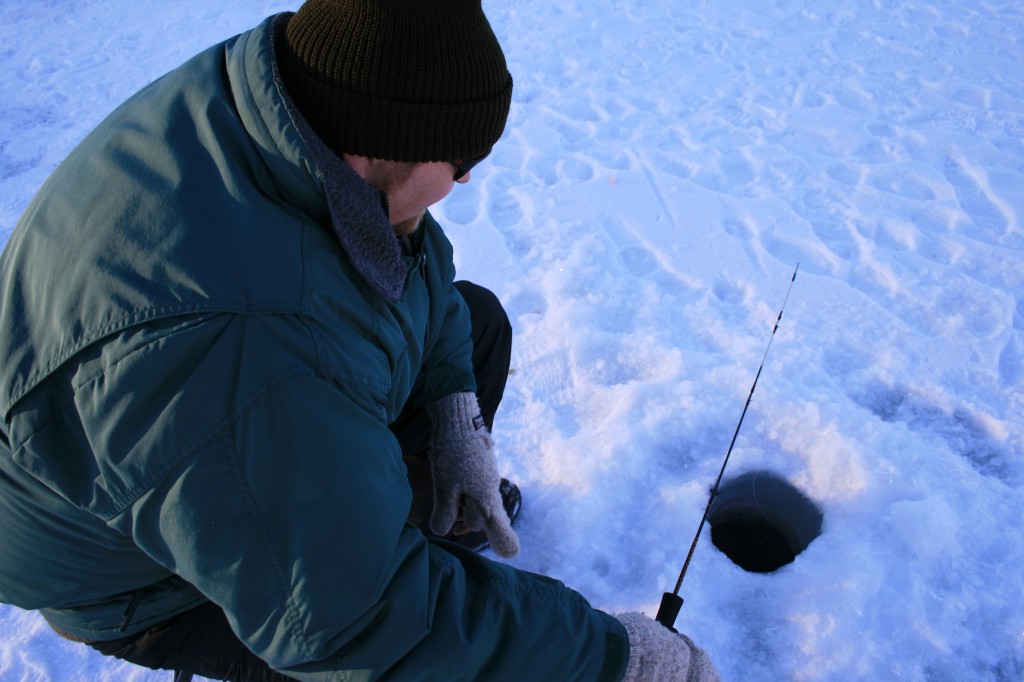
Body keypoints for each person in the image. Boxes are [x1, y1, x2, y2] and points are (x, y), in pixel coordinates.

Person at [0, 0, 719, 680]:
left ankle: (402, 524)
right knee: (357, 649)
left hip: (228, 416)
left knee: (474, 322)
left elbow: (406, 264)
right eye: (461, 161)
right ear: (384, 148)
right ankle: (366, 551)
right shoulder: (244, 356)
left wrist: (454, 415)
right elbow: (362, 619)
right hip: (140, 574)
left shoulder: (287, 111)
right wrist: (616, 660)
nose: (468, 178)